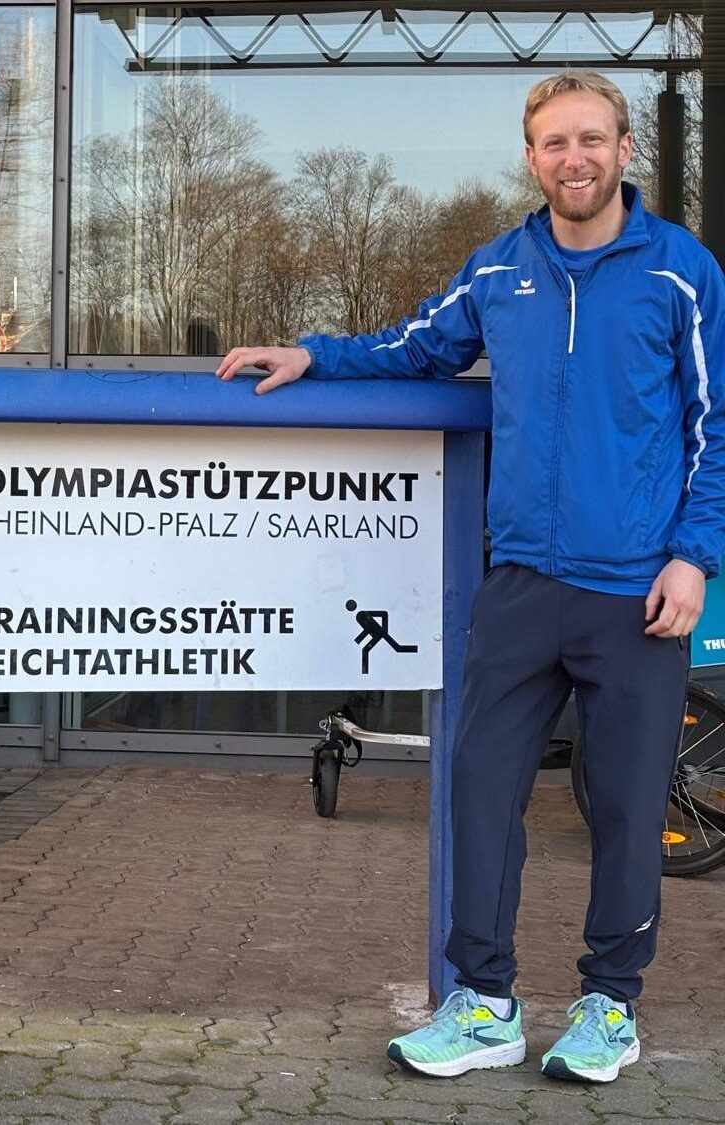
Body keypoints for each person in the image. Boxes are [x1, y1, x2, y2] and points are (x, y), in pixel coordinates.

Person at [218, 71, 725, 1084]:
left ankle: (609, 1007)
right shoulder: (498, 271)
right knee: (481, 792)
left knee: (628, 805)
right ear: (530, 158)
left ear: (626, 150)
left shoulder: (682, 272)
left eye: (591, 139)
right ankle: (486, 1004)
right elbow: (414, 348)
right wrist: (312, 356)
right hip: (521, 586)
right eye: (552, 144)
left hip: (636, 592)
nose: (573, 159)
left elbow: (716, 429)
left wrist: (692, 556)